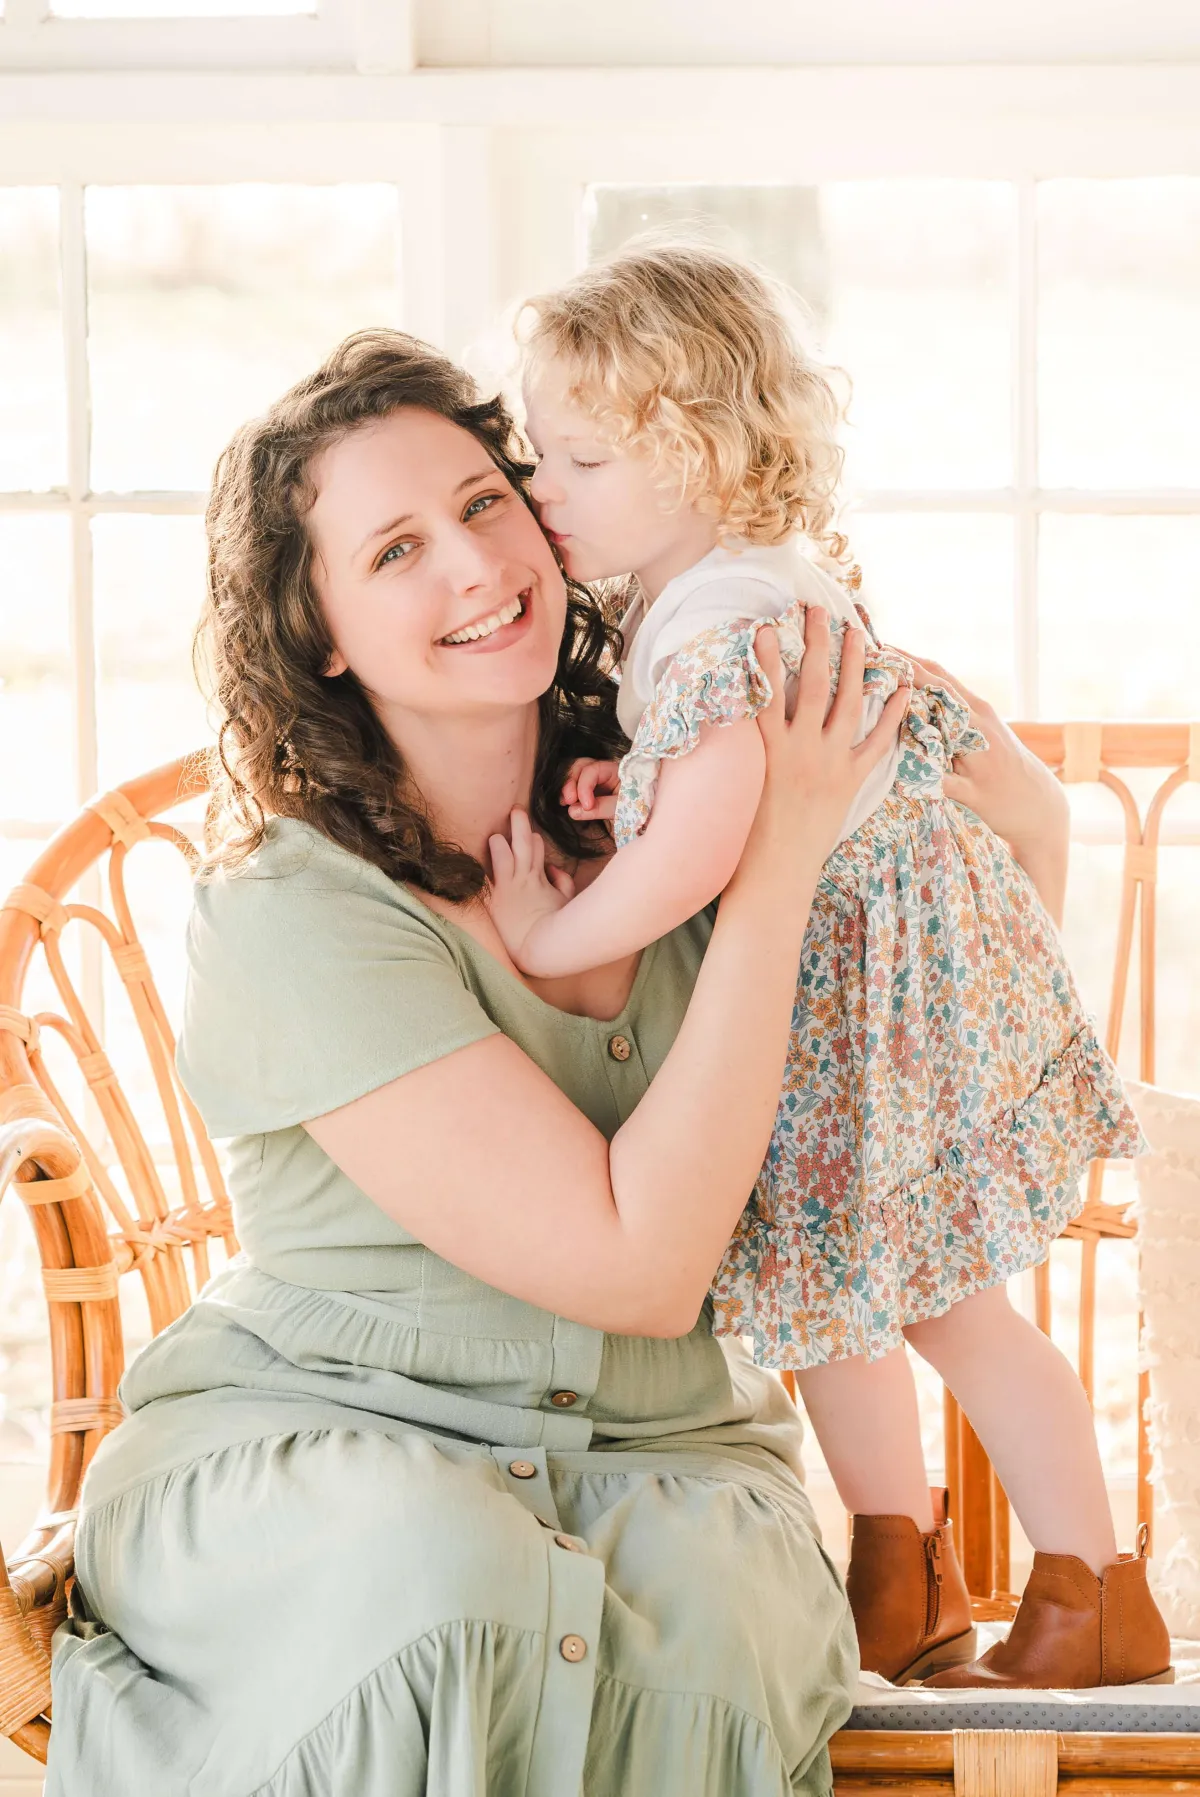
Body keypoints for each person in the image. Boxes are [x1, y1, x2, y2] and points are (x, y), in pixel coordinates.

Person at [46, 327, 926, 1797]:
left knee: (720, 1632)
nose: (472, 564)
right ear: (320, 631)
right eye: (393, 550)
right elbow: (641, 1266)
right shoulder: (296, 906)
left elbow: (1008, 860)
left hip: (676, 1460)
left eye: (482, 503)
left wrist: (821, 757)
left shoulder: (684, 797)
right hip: (334, 1439)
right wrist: (773, 870)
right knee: (444, 1581)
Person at [485, 240, 1172, 1691]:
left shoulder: (733, 618)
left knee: (948, 1313)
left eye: (582, 460)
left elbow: (710, 844)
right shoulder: (722, 601)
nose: (545, 492)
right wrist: (641, 787)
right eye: (543, 455)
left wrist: (556, 933)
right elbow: (712, 802)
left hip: (868, 1016)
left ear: (701, 458)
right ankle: (897, 1582)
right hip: (834, 1010)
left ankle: (1091, 1595)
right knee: (832, 1301)